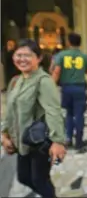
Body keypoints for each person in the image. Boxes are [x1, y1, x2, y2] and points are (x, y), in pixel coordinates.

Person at [0, 39, 66, 198]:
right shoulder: (16, 81)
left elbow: (53, 111)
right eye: (18, 55)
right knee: (23, 177)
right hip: (21, 141)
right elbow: (10, 110)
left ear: (39, 58)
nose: (22, 59)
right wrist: (4, 134)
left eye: (27, 55)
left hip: (38, 142)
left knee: (39, 180)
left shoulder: (43, 81)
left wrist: (58, 141)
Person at [52, 32, 87, 151]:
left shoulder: (61, 55)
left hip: (66, 88)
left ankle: (68, 138)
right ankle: (79, 141)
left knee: (69, 113)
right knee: (79, 114)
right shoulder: (85, 56)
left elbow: (57, 71)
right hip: (79, 88)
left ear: (69, 42)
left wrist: (51, 87)